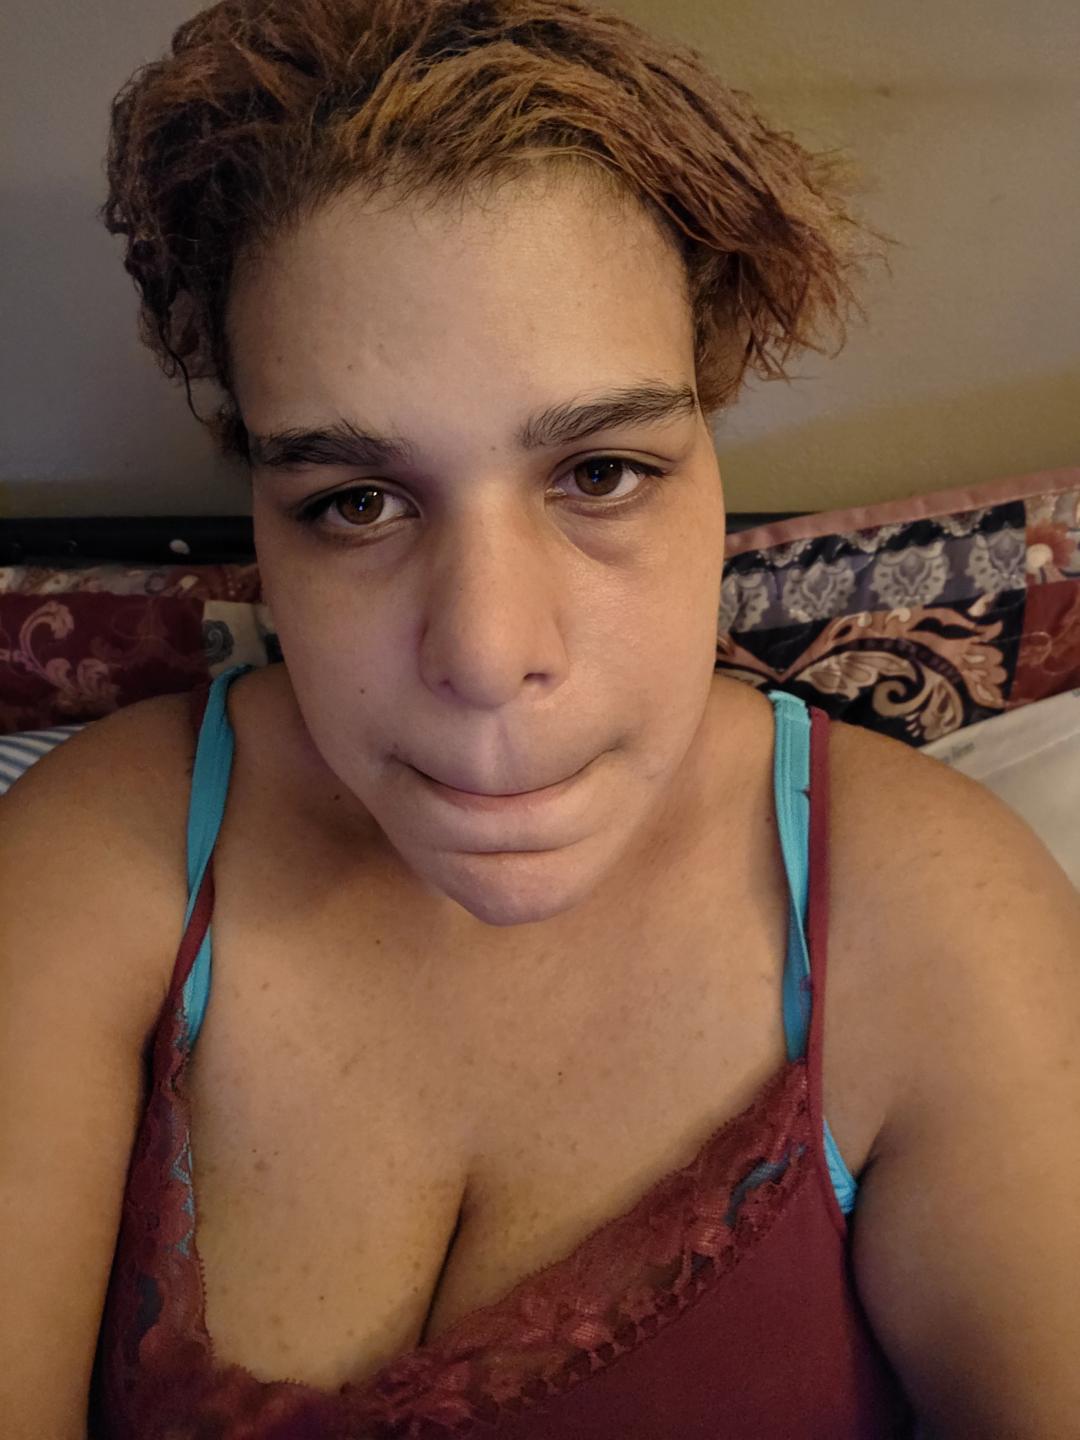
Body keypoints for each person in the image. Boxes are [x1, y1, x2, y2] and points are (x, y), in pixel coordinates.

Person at [2, 0, 1077, 1435]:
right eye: (357, 503)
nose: (488, 654)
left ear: (708, 449)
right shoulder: (91, 865)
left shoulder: (937, 921)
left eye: (601, 475)